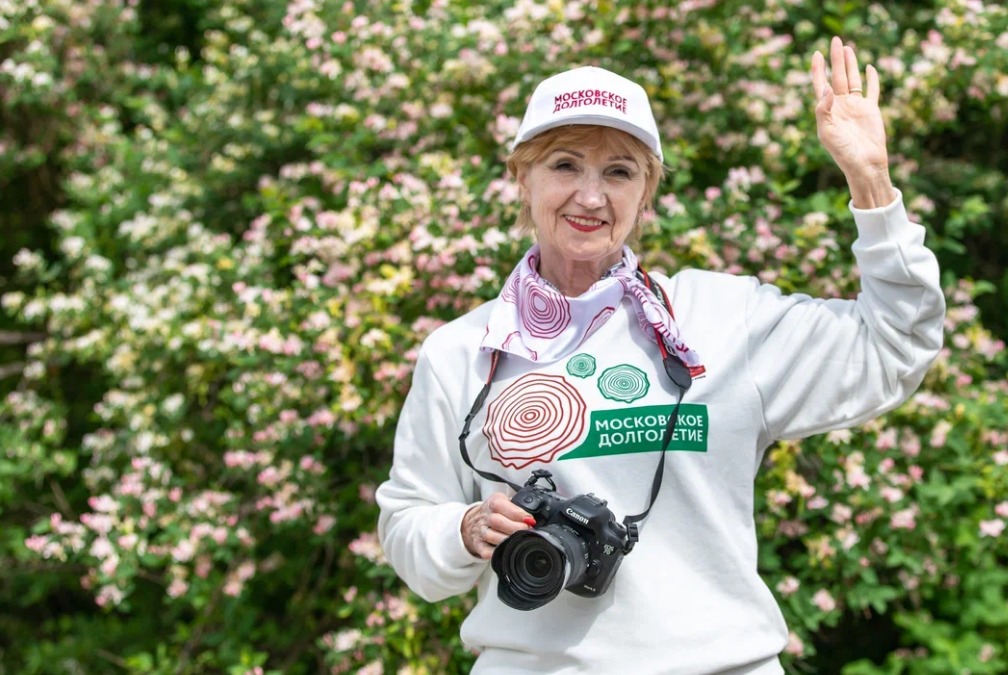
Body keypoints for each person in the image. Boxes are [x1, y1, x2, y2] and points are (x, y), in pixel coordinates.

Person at [376, 36, 945, 674]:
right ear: (521, 179)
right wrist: (464, 529)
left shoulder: (724, 318)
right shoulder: (461, 351)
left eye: (619, 171)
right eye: (565, 165)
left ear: (647, 194)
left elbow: (895, 345)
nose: (591, 197)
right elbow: (407, 527)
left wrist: (870, 182)